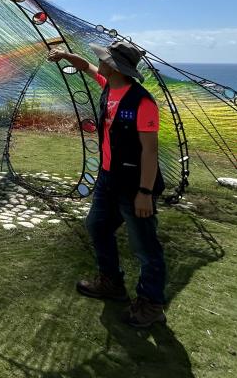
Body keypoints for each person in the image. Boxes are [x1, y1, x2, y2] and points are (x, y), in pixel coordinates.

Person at [47, 38, 167, 328]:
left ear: (114, 66)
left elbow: (150, 151)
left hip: (135, 184)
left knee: (145, 246)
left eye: (104, 59)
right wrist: (64, 55)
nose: (99, 61)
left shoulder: (143, 103)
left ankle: (152, 304)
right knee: (97, 226)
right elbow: (86, 66)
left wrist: (144, 192)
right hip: (108, 177)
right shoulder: (109, 86)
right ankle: (111, 282)